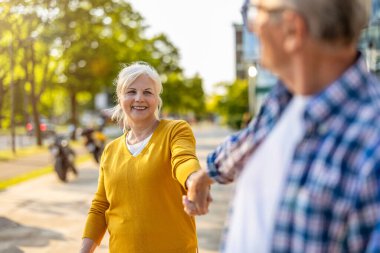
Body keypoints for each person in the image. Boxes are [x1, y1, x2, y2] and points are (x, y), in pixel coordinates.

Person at [183, 0, 380, 252]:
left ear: (291, 30)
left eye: (255, 12)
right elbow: (249, 141)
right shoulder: (285, 99)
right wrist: (206, 174)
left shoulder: (372, 148)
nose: (252, 28)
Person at [80, 62, 200, 253]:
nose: (139, 98)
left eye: (147, 92)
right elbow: (100, 206)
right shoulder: (110, 150)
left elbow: (183, 159)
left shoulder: (175, 131)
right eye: (131, 92)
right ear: (120, 98)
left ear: (156, 98)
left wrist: (194, 180)